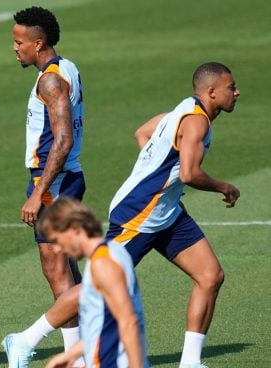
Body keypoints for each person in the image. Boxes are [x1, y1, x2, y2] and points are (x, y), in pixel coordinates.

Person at [106, 61, 240, 368]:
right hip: (139, 214)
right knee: (97, 288)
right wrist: (224, 186)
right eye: (231, 87)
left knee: (210, 276)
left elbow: (143, 133)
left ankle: (190, 362)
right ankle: (28, 338)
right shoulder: (197, 123)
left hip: (167, 213)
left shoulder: (184, 109)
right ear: (211, 91)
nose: (237, 92)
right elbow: (191, 173)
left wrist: (157, 174)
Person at [2, 6, 86, 368]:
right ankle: (85, 353)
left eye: (19, 42)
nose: (15, 48)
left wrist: (38, 193)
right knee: (67, 270)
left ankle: (30, 342)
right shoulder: (67, 68)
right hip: (68, 179)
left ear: (39, 43)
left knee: (56, 271)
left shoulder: (50, 81)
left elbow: (63, 140)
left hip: (53, 183)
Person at [38, 197, 149, 368]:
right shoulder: (110, 251)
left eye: (57, 240)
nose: (58, 249)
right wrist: (70, 355)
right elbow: (103, 327)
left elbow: (128, 322)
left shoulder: (103, 264)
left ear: (74, 229)